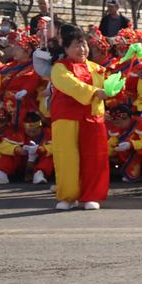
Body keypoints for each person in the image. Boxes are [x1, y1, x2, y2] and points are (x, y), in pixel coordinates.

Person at [48, 27, 112, 210]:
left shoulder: (97, 68)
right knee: (67, 158)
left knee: (94, 158)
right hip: (66, 117)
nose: (82, 49)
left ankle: (91, 195)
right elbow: (71, 85)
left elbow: (109, 85)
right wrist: (95, 92)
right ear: (66, 49)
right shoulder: (59, 67)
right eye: (76, 45)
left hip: (93, 117)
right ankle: (68, 197)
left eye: (84, 45)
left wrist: (115, 86)